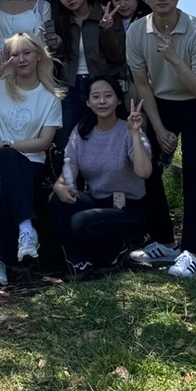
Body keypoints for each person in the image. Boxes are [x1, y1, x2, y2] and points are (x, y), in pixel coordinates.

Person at [126, 0, 196, 280]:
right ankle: (164, 241)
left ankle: (191, 252)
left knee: (193, 170)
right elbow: (142, 84)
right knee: (145, 166)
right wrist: (159, 128)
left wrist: (174, 58)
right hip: (158, 104)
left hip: (194, 105)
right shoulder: (137, 31)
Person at [0, 33, 63, 285]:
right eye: (14, 55)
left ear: (38, 55)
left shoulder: (50, 96)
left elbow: (44, 142)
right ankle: (26, 227)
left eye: (26, 53)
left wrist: (6, 144)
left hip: (31, 165)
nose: (21, 59)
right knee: (7, 158)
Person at [50, 77, 152, 277]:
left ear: (118, 100)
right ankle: (78, 263)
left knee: (81, 223)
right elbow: (70, 169)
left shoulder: (129, 130)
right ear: (88, 102)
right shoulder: (81, 131)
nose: (102, 101)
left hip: (127, 208)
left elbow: (144, 172)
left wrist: (134, 133)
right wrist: (59, 185)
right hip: (97, 203)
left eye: (108, 96)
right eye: (96, 97)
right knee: (58, 198)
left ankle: (116, 250)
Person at [48, 0, 127, 147]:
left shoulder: (105, 13)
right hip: (69, 87)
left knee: (103, 143)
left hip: (101, 86)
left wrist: (106, 30)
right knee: (64, 143)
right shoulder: (60, 20)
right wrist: (57, 46)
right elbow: (56, 63)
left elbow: (117, 56)